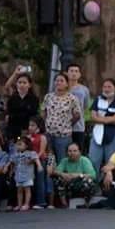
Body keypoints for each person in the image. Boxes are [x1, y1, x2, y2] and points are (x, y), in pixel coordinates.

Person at [40, 73, 81, 207]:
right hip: (49, 136)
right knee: (50, 164)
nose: (58, 83)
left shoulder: (71, 98)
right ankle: (49, 198)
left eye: (61, 80)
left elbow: (77, 115)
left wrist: (66, 124)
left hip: (63, 136)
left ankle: (62, 197)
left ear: (67, 83)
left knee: (63, 165)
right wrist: (48, 124)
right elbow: (43, 112)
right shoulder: (48, 97)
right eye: (56, 80)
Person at [88, 79, 115, 175]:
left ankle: (110, 185)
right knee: (93, 161)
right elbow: (93, 117)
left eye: (109, 87)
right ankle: (93, 186)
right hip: (97, 134)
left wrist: (100, 119)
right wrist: (108, 119)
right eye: (104, 87)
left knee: (111, 162)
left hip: (113, 135)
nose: (106, 89)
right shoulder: (97, 100)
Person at [51, 141, 97, 208]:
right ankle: (64, 204)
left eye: (75, 151)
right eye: (70, 151)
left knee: (88, 182)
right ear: (67, 152)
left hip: (80, 183)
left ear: (79, 152)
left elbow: (93, 175)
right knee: (58, 179)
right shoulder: (64, 161)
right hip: (70, 183)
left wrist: (78, 175)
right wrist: (63, 174)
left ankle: (87, 204)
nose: (72, 153)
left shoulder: (84, 160)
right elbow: (55, 171)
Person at [3, 69, 39, 144]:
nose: (22, 85)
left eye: (24, 83)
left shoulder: (33, 99)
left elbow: (34, 115)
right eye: (20, 82)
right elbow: (7, 87)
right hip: (12, 129)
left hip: (26, 130)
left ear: (29, 85)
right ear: (16, 84)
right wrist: (15, 74)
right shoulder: (13, 97)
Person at [10, 135, 40, 211]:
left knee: (27, 189)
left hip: (27, 175)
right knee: (19, 190)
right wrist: (11, 170)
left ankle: (26, 204)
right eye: (17, 144)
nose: (18, 146)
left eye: (20, 144)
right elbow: (12, 163)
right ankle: (19, 205)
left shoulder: (30, 153)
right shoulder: (15, 154)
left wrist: (39, 165)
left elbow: (36, 158)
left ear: (26, 146)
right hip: (18, 175)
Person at [66, 63, 92, 150]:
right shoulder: (62, 88)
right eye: (71, 71)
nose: (74, 73)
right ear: (67, 73)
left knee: (78, 150)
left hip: (79, 126)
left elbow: (85, 106)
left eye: (76, 71)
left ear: (79, 74)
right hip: (63, 127)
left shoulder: (84, 90)